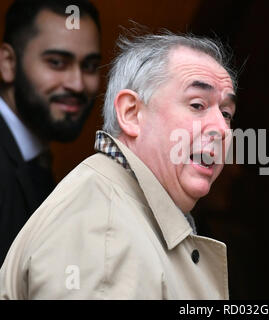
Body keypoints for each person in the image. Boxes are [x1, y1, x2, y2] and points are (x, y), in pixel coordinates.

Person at [0, 32, 237, 299]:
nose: (221, 128)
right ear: (131, 113)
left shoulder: (122, 212)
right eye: (197, 104)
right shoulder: (105, 230)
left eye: (226, 114)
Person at [0, 0, 101, 264]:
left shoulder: (34, 155)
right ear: (8, 63)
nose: (78, 84)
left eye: (89, 66)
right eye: (57, 63)